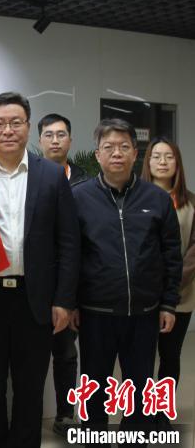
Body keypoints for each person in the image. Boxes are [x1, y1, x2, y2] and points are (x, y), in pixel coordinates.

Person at [0, 92, 80, 448]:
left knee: (30, 389)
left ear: (28, 127)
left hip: (35, 299)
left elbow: (68, 242)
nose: (7, 130)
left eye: (15, 122)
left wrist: (64, 300)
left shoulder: (51, 175)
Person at [72, 120, 180, 444]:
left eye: (123, 147)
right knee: (94, 388)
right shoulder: (79, 197)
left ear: (135, 153)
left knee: (139, 389)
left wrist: (168, 304)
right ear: (97, 154)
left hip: (144, 313)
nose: (116, 153)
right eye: (109, 147)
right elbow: (71, 255)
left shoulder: (157, 199)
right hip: (95, 313)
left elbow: (171, 254)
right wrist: (71, 303)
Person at [37, 112, 88, 435]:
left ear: (70, 139)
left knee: (67, 353)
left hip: (71, 283)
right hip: (35, 281)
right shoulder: (30, 176)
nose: (55, 141)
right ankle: (28, 415)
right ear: (39, 140)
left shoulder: (86, 182)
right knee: (31, 355)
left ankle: (66, 414)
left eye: (61, 134)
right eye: (49, 135)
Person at [142, 137, 195, 405]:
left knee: (170, 355)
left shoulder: (191, 203)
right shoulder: (134, 198)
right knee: (140, 357)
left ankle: (162, 410)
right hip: (141, 295)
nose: (162, 162)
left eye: (169, 156)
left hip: (179, 295)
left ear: (178, 163)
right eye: (156, 156)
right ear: (148, 162)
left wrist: (171, 283)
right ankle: (141, 411)